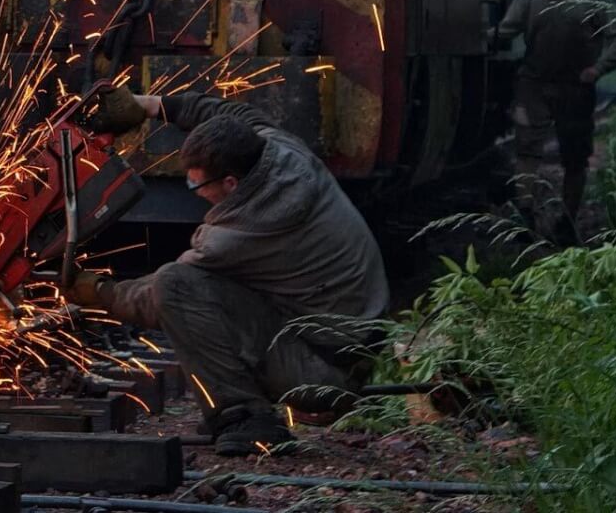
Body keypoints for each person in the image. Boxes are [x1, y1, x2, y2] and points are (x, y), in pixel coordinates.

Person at [71, 88, 388, 455]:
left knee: (175, 283)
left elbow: (158, 297)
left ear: (230, 183)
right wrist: (147, 106)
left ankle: (246, 419)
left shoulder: (237, 234)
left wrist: (96, 291)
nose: (194, 192)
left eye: (197, 184)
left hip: (324, 372)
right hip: (347, 346)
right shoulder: (280, 149)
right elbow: (223, 112)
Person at [494, 0, 616, 240]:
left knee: (575, 156)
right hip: (533, 85)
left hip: (574, 89)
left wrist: (598, 68)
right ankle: (524, 212)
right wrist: (482, 35)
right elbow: (506, 28)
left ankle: (567, 219)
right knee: (527, 148)